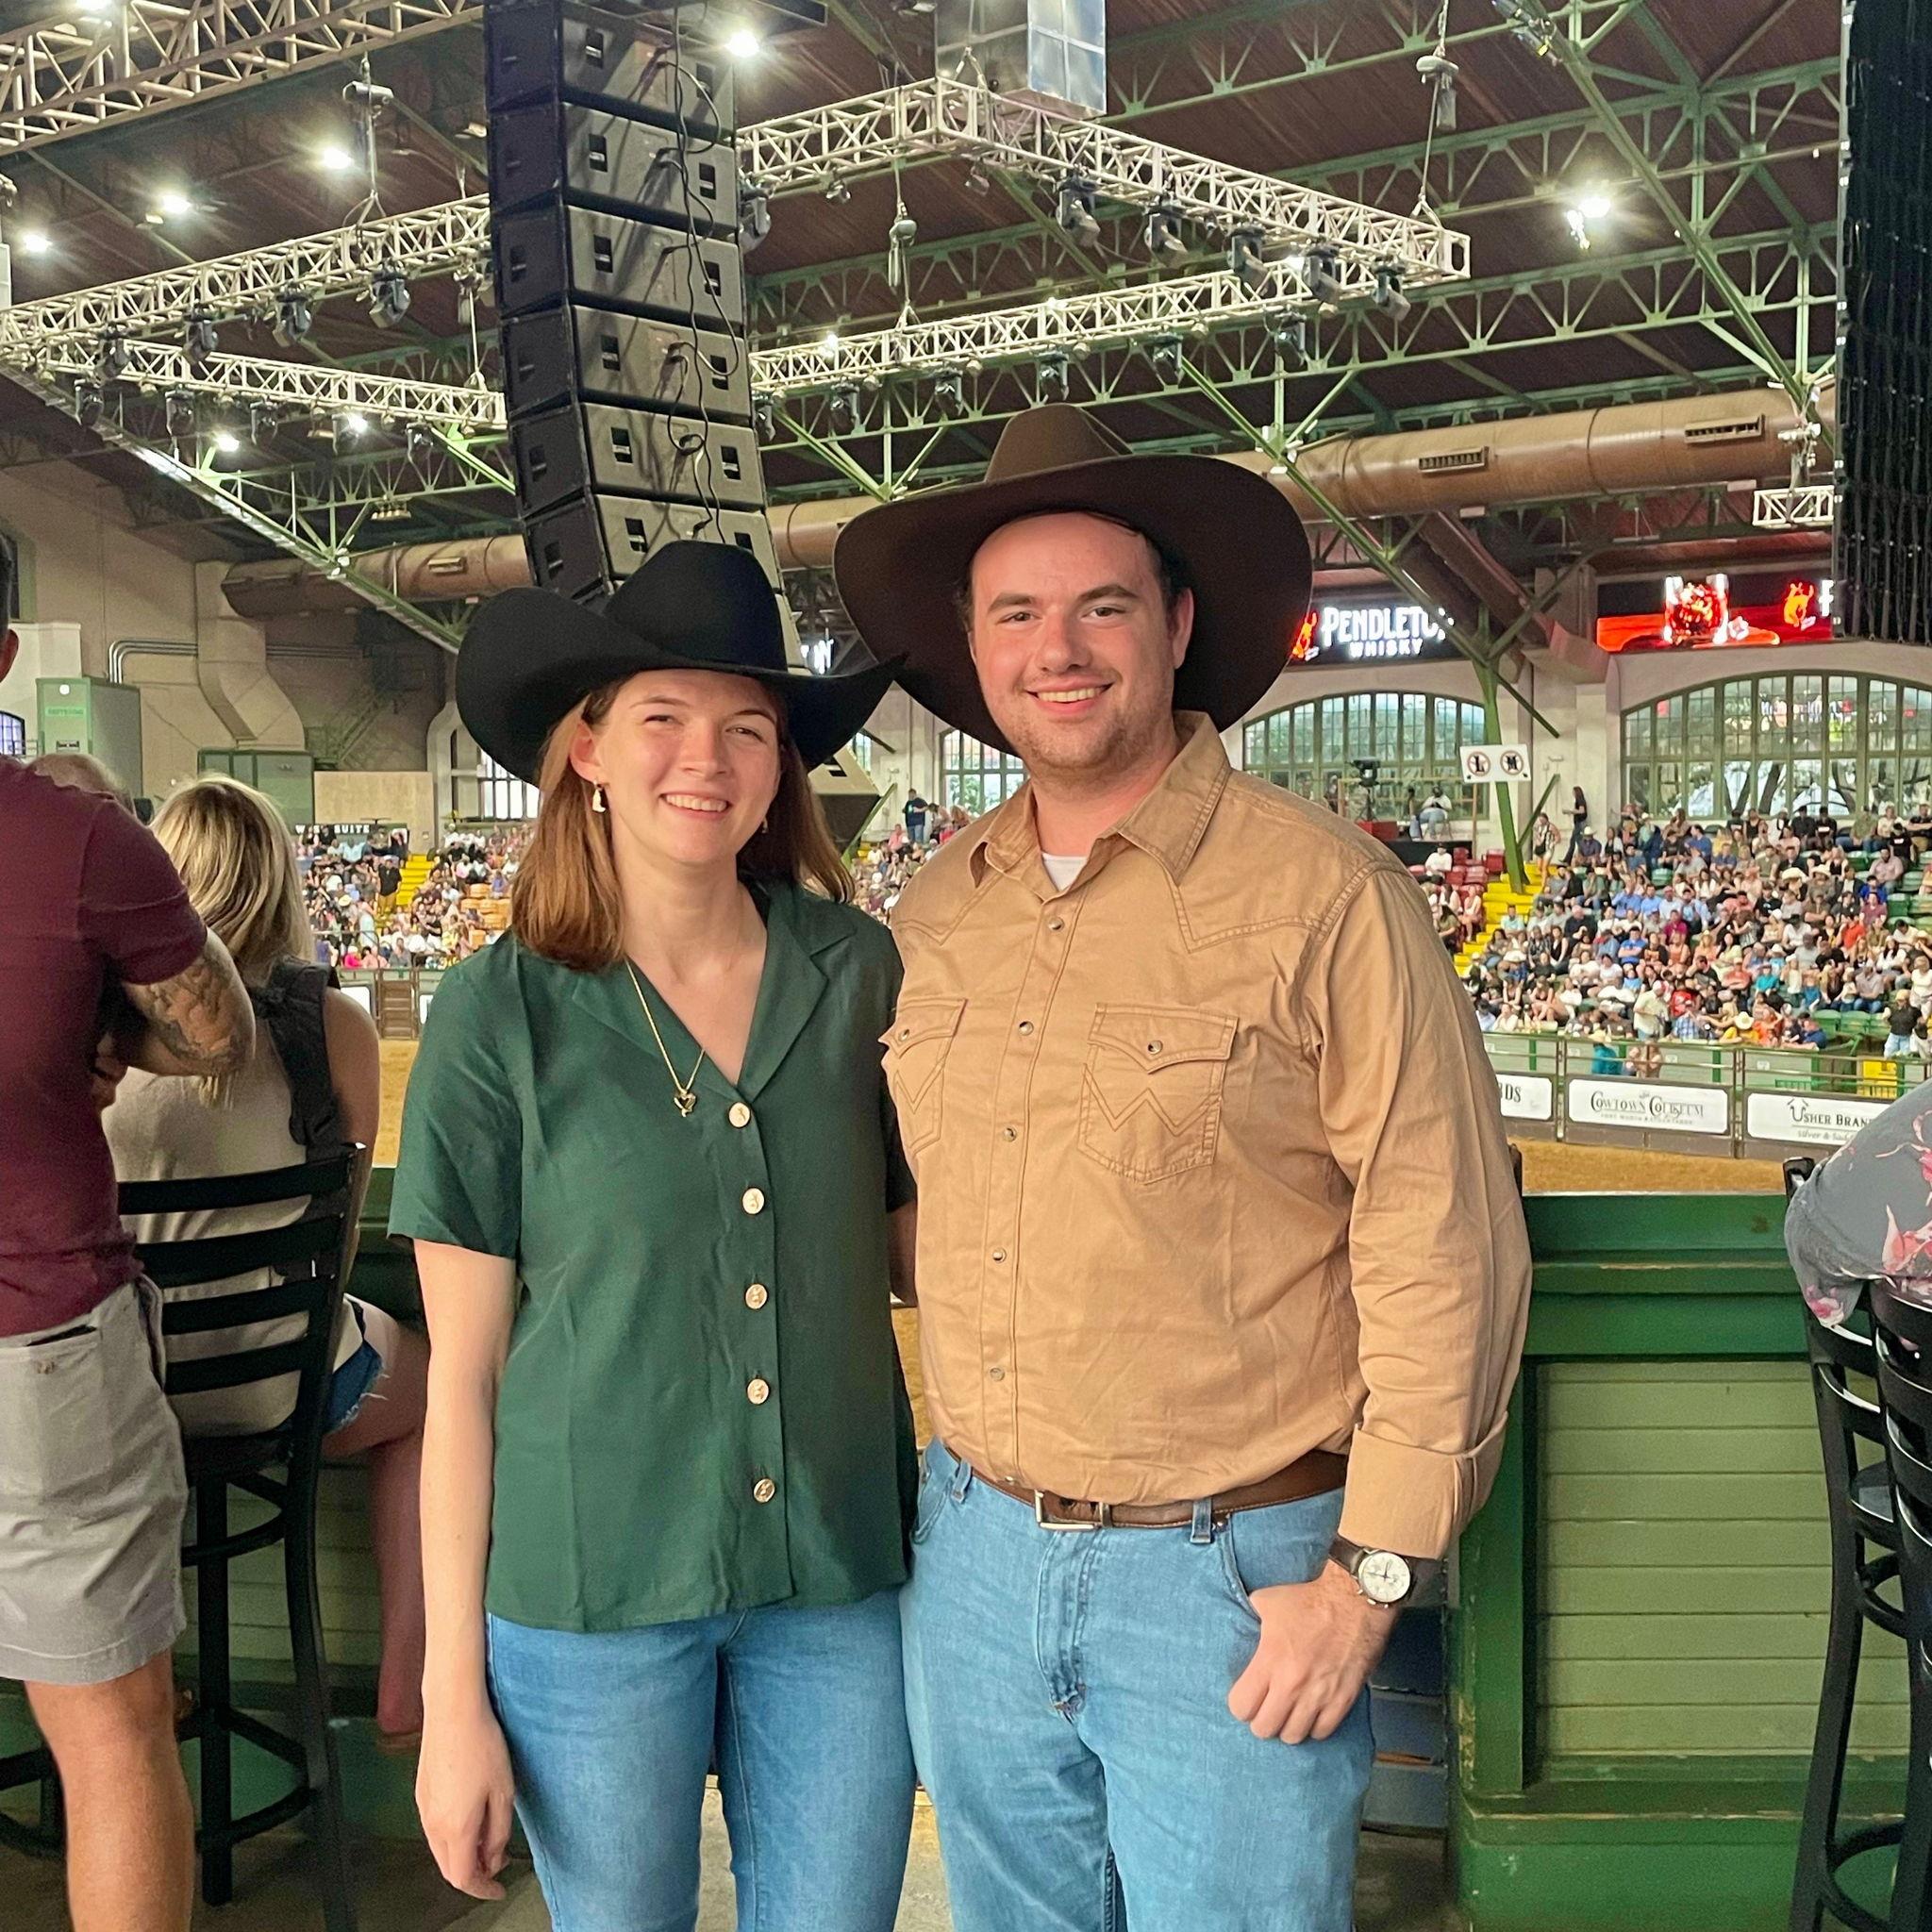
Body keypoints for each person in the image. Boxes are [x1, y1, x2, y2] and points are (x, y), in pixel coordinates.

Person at [833, 404, 1532, 1930]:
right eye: (1015, 612)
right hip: (974, 1553)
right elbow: (916, 1215)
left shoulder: (1324, 896)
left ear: (1176, 625)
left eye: (1100, 605)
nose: (1057, 646)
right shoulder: (937, 906)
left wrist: (1373, 1578)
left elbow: (1446, 1251)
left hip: (1238, 1577)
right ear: (973, 646)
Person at [392, 542, 917, 1928]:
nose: (710, 758)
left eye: (748, 727)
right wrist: (455, 1700)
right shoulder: (492, 1017)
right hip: (588, 1599)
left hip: (837, 1581)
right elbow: (464, 1380)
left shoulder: (860, 974)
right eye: (664, 719)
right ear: (588, 750)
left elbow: (938, 1253)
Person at [0, 611, 257, 1932]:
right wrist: (94, 1019)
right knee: (110, 1736)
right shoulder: (79, 840)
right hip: (37, 1341)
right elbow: (215, 1025)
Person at [101, 775, 430, 1745]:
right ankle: (406, 1682)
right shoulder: (332, 1026)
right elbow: (340, 1226)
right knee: (438, 1392)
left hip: (119, 1404)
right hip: (276, 1397)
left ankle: (140, 1688)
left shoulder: (93, 1025)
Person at [1566, 784, 1590, 862]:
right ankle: (1568, 859)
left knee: (1578, 841)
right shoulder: (1579, 800)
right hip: (1578, 822)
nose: (1572, 793)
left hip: (1580, 823)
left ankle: (1581, 857)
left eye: (1573, 792)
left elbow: (1582, 811)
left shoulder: (1580, 800)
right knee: (1574, 840)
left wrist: (1571, 811)